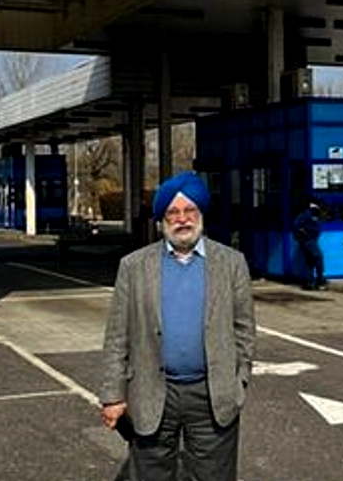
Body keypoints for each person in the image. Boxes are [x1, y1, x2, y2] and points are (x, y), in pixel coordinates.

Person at [100, 171, 256, 480]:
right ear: (161, 220)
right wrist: (112, 395)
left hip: (212, 394)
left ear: (200, 214)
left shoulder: (232, 263)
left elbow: (244, 330)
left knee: (214, 475)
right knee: (150, 474)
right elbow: (118, 336)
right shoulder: (133, 266)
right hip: (153, 391)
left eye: (189, 211)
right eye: (173, 212)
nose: (182, 219)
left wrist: (239, 381)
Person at [293, 199, 326, 290]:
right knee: (318, 257)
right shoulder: (307, 214)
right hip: (308, 241)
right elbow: (296, 225)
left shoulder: (314, 214)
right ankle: (320, 281)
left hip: (311, 240)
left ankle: (309, 282)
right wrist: (304, 235)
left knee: (310, 262)